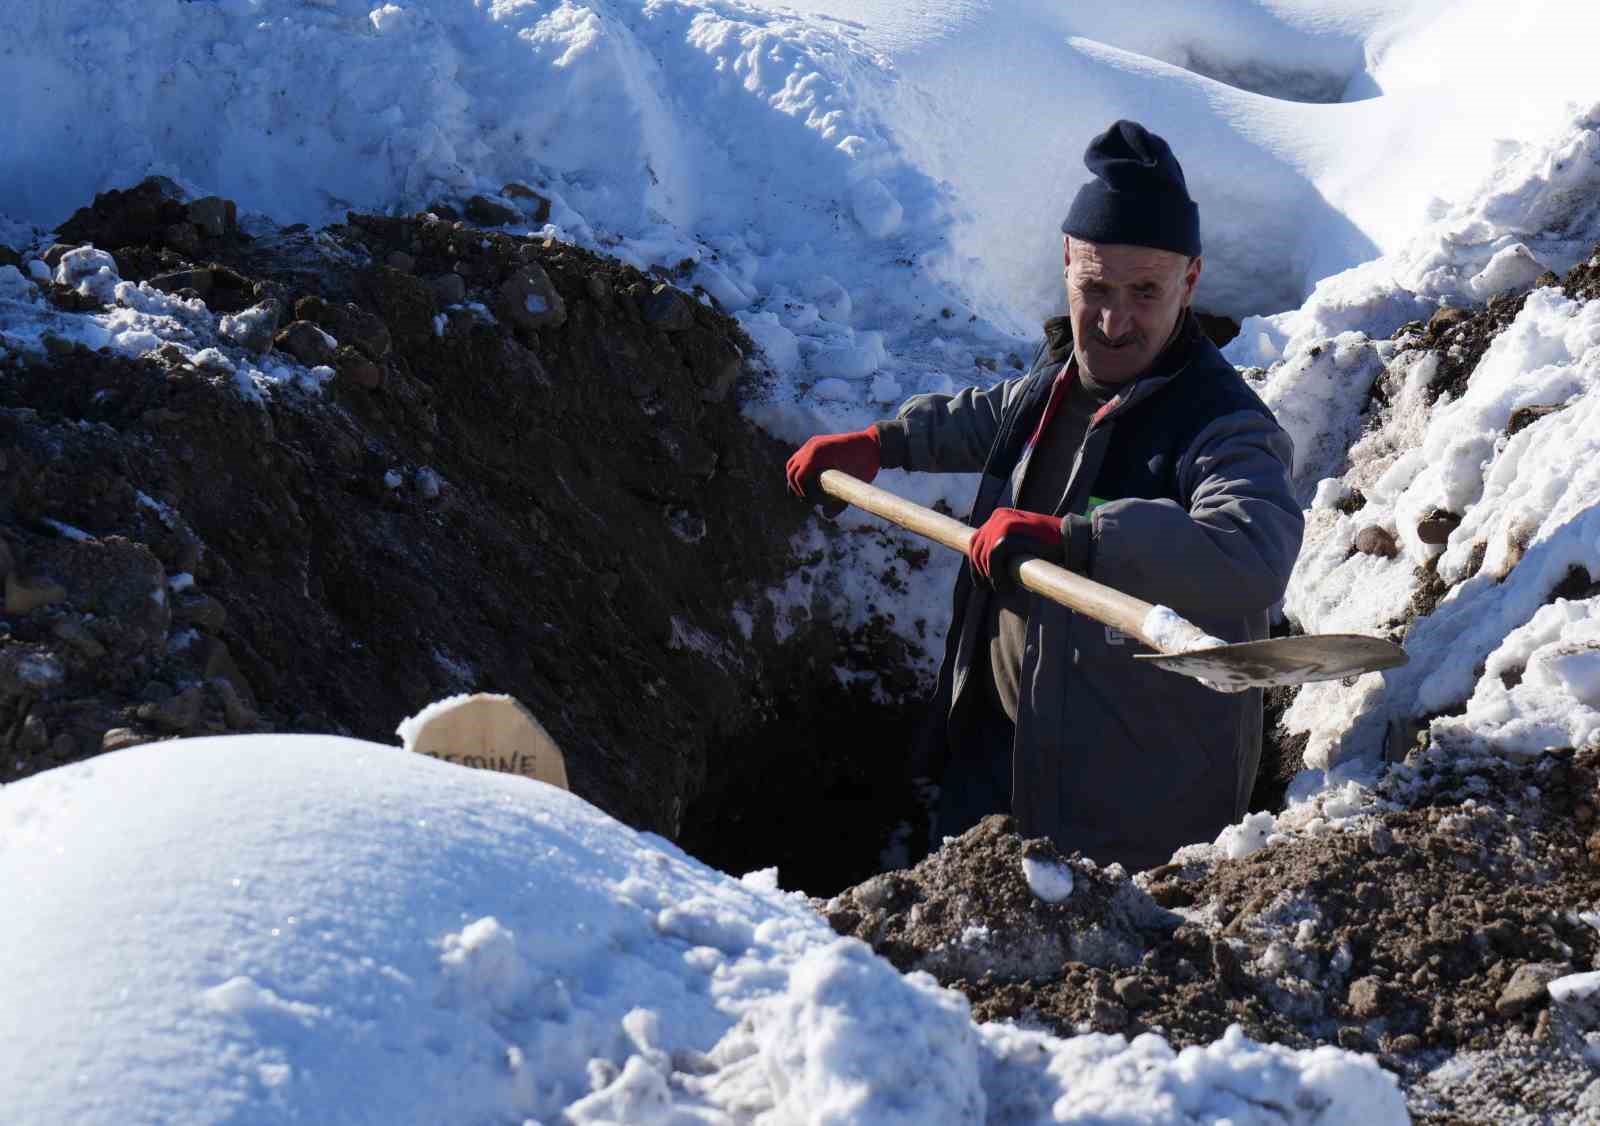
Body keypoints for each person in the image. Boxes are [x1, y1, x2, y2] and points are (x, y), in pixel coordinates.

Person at [785, 120, 1304, 871]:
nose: (1113, 320)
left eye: (1145, 292)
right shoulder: (1060, 382)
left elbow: (1252, 550)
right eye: (1094, 287)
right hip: (999, 754)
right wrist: (883, 443)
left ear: (1191, 281)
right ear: (1066, 262)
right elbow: (995, 417)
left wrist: (1080, 539)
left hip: (1126, 809)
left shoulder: (1221, 427)